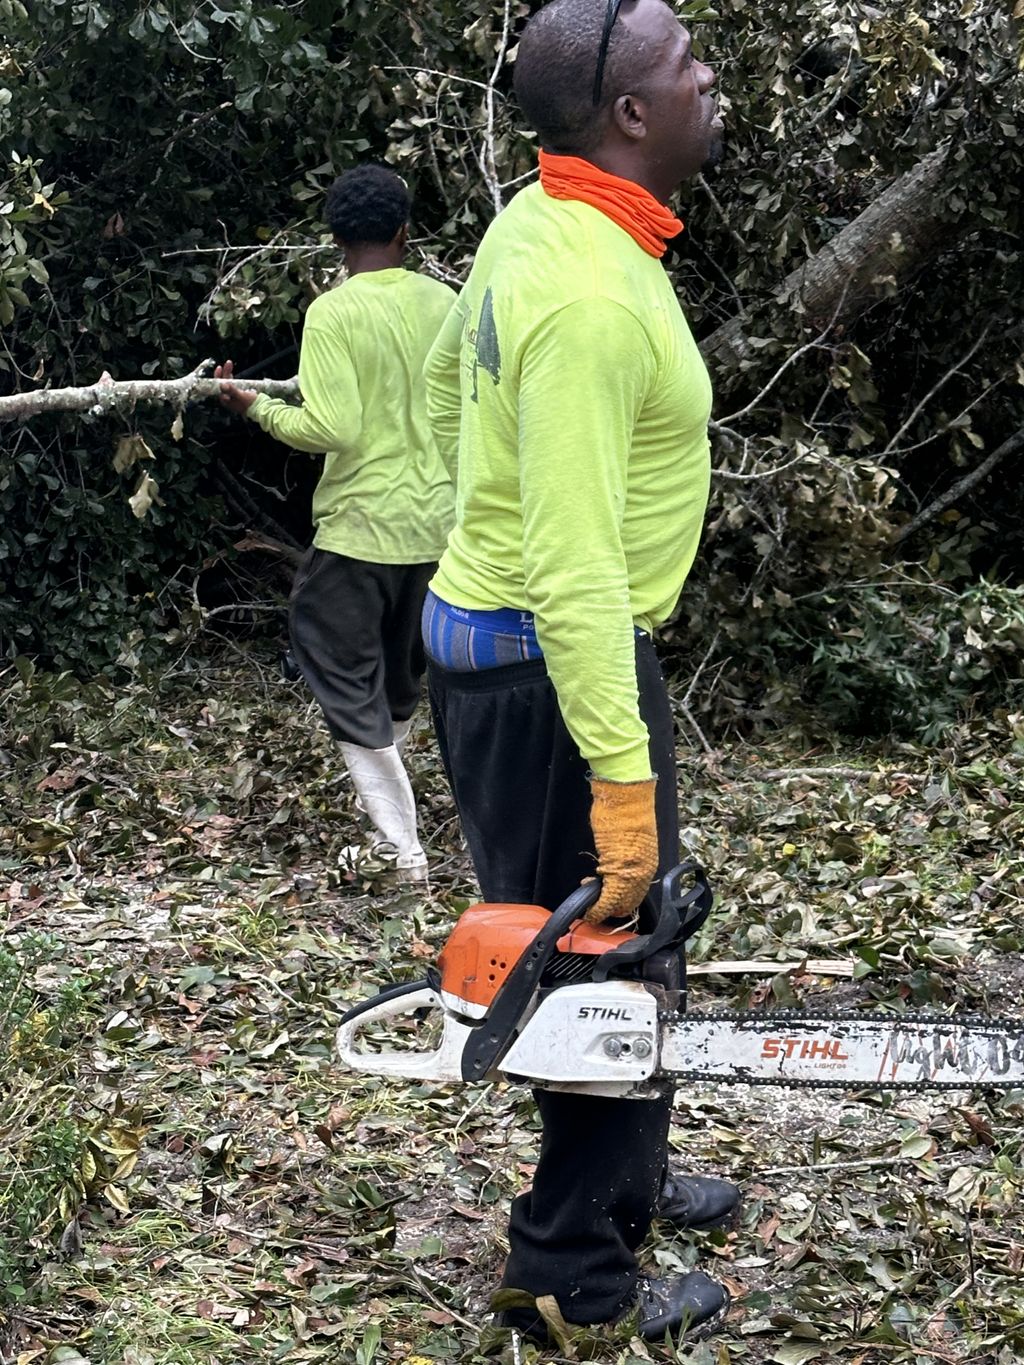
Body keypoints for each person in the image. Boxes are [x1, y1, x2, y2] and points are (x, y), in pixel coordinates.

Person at [422, 0, 736, 1343]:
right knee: (600, 961)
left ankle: (632, 1181)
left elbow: (448, 383)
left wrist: (473, 519)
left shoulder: (548, 219)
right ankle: (570, 1275)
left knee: (622, 936)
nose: (708, 75)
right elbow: (572, 570)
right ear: (627, 114)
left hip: (530, 651)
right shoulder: (592, 296)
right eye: (686, 64)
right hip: (559, 665)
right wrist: (619, 775)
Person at [216, 165, 456, 880]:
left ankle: (399, 846)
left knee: (333, 659)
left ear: (336, 242)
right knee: (400, 675)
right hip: (441, 526)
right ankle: (392, 824)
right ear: (404, 232)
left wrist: (253, 406)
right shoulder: (448, 301)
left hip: (362, 527)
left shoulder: (335, 312)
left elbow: (330, 425)